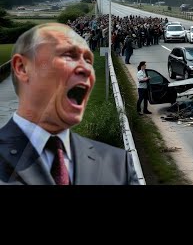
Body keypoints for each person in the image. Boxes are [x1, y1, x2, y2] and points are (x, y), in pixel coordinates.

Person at [0, 23, 139, 185]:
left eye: (87, 60)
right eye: (68, 56)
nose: (86, 69)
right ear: (22, 67)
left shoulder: (119, 163)